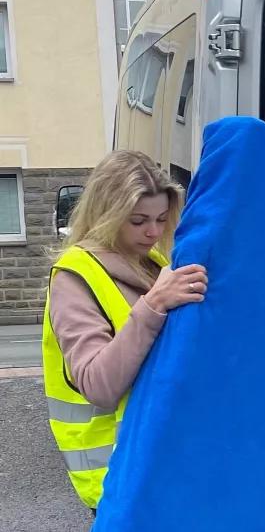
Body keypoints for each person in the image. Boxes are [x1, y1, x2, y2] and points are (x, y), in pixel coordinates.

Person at [42, 150, 208, 511]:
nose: (153, 232)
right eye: (138, 220)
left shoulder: (153, 264)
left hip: (159, 465)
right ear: (107, 214)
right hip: (116, 478)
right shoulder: (75, 276)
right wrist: (153, 307)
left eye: (162, 219)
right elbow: (98, 384)